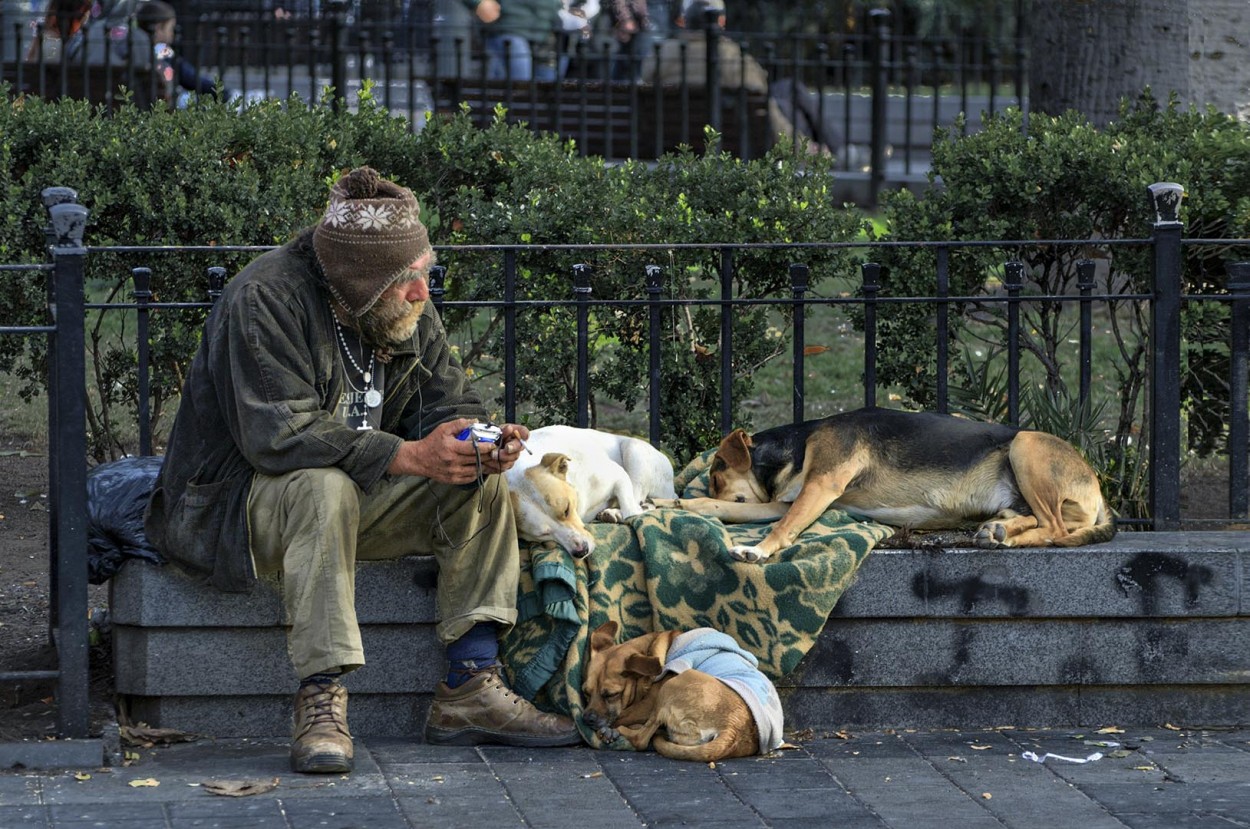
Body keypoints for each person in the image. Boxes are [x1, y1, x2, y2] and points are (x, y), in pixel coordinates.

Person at [144, 166, 581, 775]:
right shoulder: (265, 297)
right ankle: (322, 699)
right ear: (360, 284)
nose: (422, 293)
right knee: (323, 487)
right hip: (236, 510)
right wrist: (407, 455)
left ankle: (470, 688)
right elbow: (279, 436)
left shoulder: (402, 301)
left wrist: (477, 440)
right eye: (409, 280)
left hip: (351, 498)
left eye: (424, 272)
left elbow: (446, 401)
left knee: (474, 481)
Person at [641, 0, 836, 155]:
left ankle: (841, 148)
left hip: (676, 139)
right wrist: (809, 151)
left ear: (685, 22)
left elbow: (645, 82)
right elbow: (768, 113)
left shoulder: (660, 55)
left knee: (789, 90)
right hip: (734, 143)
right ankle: (841, 149)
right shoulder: (734, 59)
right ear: (720, 22)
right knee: (788, 96)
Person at [461, 0, 564, 81]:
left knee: (547, 93)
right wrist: (478, 2)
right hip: (508, 28)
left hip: (545, 33)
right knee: (518, 88)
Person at [606, 0, 650, 82]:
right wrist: (626, 19)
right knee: (629, 57)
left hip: (636, 22)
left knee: (627, 57)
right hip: (630, 23)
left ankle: (618, 85)